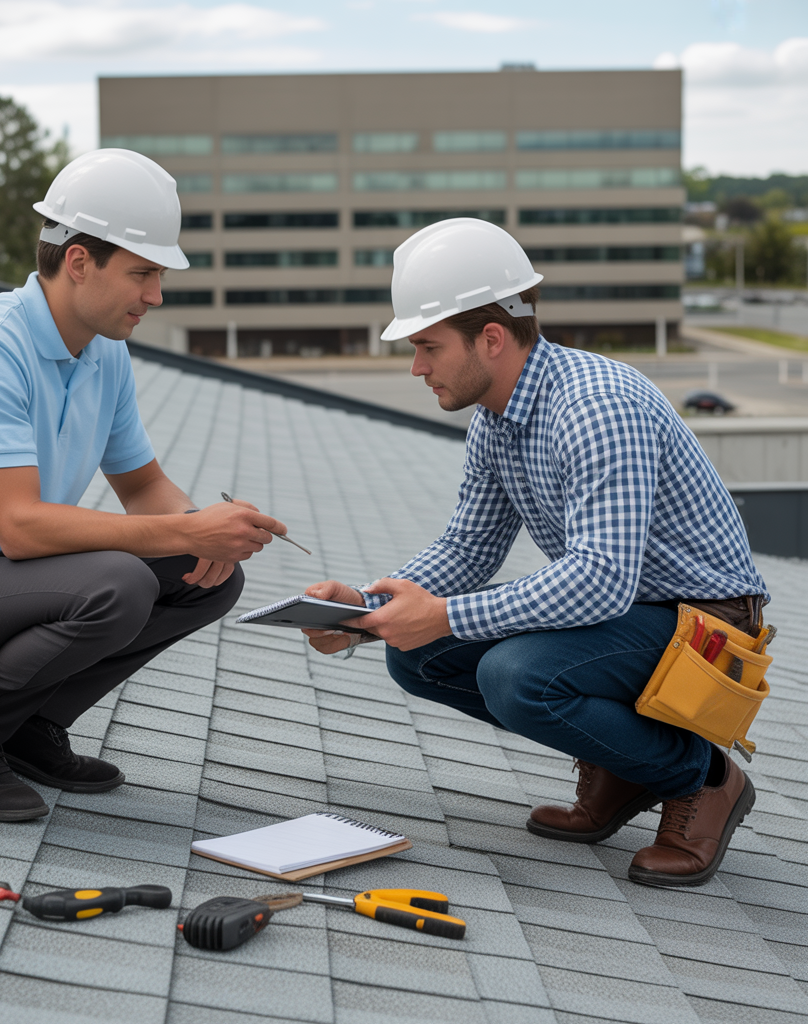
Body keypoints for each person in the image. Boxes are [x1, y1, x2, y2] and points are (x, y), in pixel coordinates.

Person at [303, 218, 768, 888]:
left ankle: (704, 778)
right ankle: (625, 769)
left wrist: (445, 615)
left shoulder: (597, 406)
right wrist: (365, 610)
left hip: (705, 625)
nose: (416, 366)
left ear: (491, 338)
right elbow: (469, 547)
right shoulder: (497, 419)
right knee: (416, 654)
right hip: (629, 615)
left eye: (428, 346)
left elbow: (601, 579)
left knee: (516, 675)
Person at [0, 149, 286, 822]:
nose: (156, 296)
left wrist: (205, 531)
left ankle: (27, 724)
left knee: (206, 577)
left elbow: (143, 485)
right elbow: (20, 528)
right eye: (143, 273)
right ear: (79, 261)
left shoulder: (103, 351)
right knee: (121, 583)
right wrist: (184, 529)